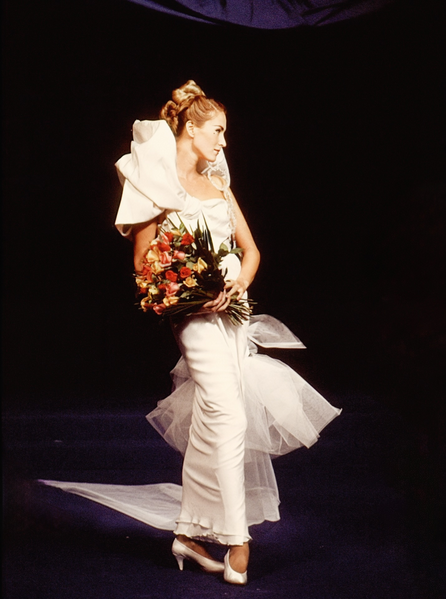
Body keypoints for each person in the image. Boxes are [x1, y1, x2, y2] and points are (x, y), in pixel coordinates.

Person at [114, 80, 341, 585]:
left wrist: (238, 282)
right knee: (230, 415)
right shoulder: (153, 183)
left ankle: (189, 534)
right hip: (191, 316)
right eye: (217, 131)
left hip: (231, 312)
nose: (223, 141)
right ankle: (238, 537)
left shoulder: (218, 181)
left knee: (211, 419)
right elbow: (143, 262)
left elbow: (251, 250)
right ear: (190, 129)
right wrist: (188, 289)